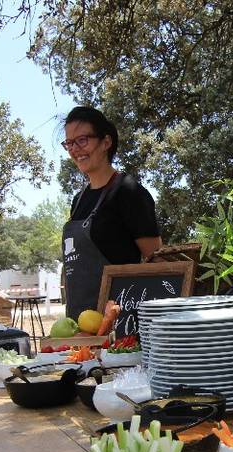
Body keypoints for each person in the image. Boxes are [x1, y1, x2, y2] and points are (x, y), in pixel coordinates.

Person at [61, 106, 161, 320]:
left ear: (106, 142)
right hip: (80, 326)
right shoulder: (79, 201)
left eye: (82, 140)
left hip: (121, 325)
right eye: (69, 143)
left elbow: (158, 262)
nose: (75, 149)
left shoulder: (128, 191)